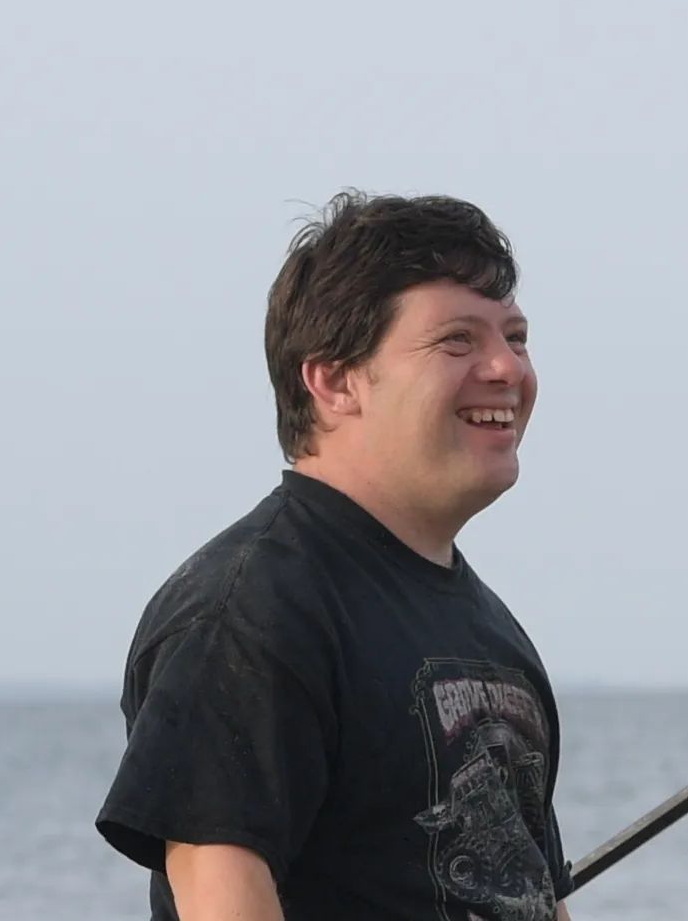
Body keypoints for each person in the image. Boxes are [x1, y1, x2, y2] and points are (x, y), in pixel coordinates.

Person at [94, 190, 575, 921]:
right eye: (457, 340)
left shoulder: (489, 631)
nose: (506, 368)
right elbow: (224, 899)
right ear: (334, 381)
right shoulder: (250, 608)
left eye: (515, 336)